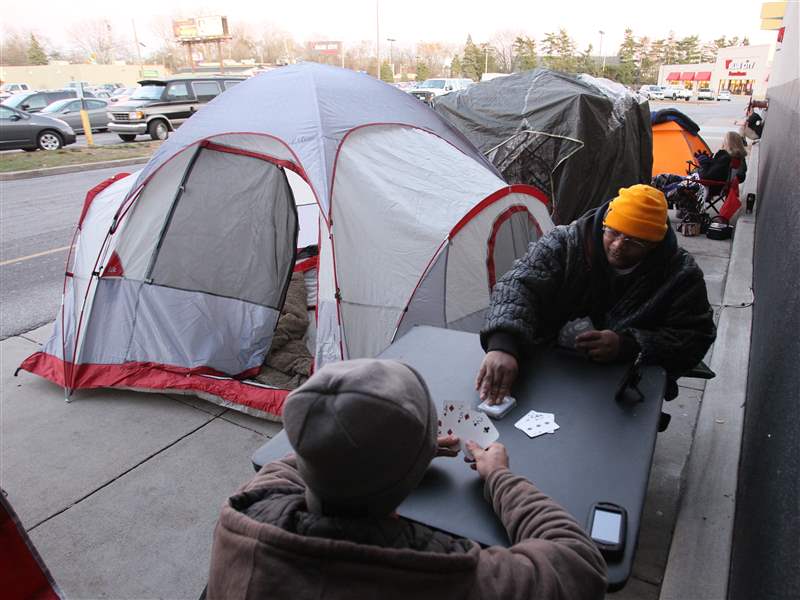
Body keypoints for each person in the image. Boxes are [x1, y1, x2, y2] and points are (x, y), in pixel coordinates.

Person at [208, 359, 607, 600]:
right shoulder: (445, 579)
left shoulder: (246, 513)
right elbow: (578, 564)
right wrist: (500, 477)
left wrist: (398, 450)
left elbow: (306, 460)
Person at [476, 184, 716, 415]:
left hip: (625, 379)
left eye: (634, 242)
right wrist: (503, 344)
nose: (618, 245)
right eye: (613, 232)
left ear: (654, 244)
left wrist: (629, 345)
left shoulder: (680, 275)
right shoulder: (565, 243)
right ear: (605, 223)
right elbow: (518, 285)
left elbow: (694, 335)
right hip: (549, 364)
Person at [694, 131, 748, 197]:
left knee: (684, 181)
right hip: (725, 186)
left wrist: (703, 163)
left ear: (726, 142)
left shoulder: (725, 158)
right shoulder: (739, 158)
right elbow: (741, 177)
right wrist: (710, 161)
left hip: (713, 188)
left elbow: (705, 177)